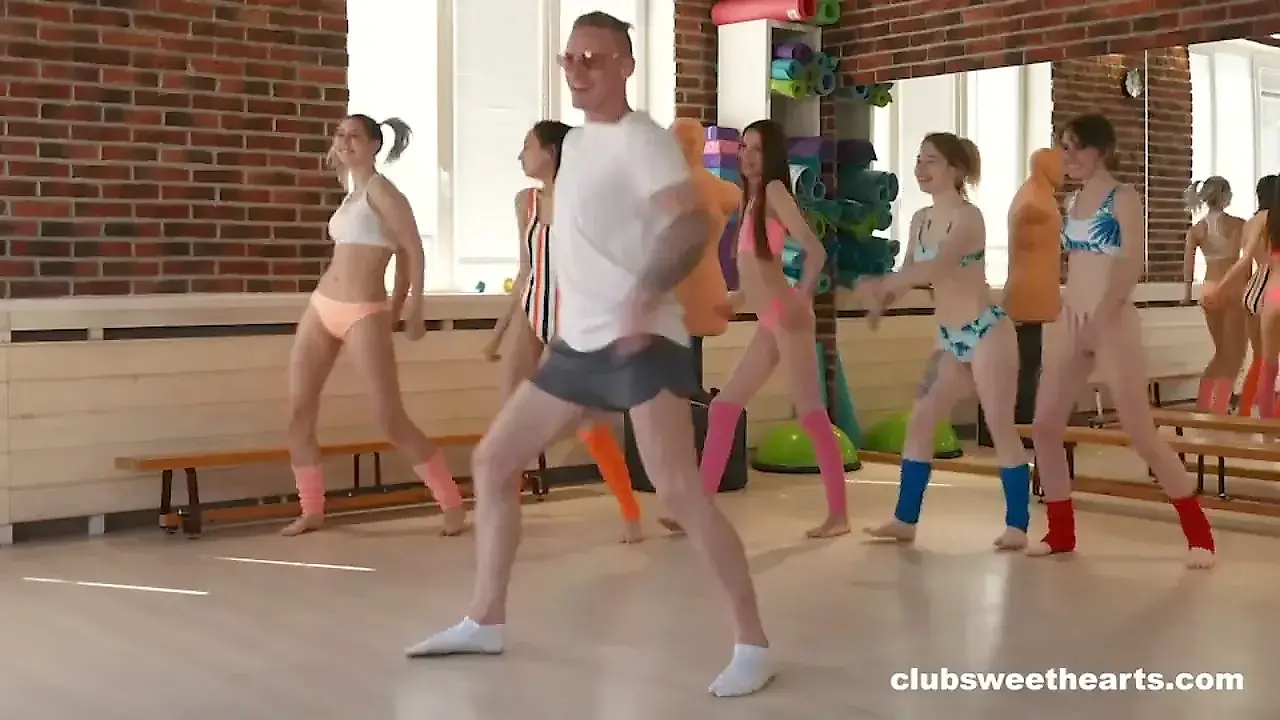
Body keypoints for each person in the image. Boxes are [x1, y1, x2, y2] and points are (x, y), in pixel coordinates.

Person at [405, 12, 774, 698]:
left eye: (594, 59)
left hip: (642, 341)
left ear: (626, 66)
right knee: (493, 460)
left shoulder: (644, 141)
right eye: (569, 58)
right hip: (579, 346)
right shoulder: (574, 144)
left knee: (678, 492)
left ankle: (752, 643)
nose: (577, 70)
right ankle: (485, 619)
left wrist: (643, 295)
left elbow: (693, 225)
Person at [1028, 114, 1214, 569]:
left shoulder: (1123, 197)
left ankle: (1200, 536)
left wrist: (1100, 317)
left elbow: (1131, 264)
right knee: (1045, 426)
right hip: (1071, 318)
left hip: (1112, 321)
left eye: (1077, 147)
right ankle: (1061, 531)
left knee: (1139, 431)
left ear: (1102, 150)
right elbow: (1075, 265)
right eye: (1063, 147)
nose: (1069, 156)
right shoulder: (1072, 200)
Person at [280, 114, 468, 538]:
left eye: (354, 136)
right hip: (322, 305)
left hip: (363, 311)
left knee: (389, 417)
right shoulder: (351, 194)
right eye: (339, 135)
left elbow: (412, 249)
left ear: (375, 145)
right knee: (298, 412)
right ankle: (312, 509)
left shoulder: (382, 191)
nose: (344, 142)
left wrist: (412, 305)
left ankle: (451, 502)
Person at [660, 118, 848, 539]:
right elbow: (760, 272)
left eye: (757, 149)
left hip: (788, 317)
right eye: (744, 147)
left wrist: (801, 296)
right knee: (724, 407)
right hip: (770, 320)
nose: (747, 155)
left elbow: (815, 251)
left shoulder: (776, 191)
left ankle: (839, 515)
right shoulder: (753, 200)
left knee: (812, 415)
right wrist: (736, 300)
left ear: (773, 155)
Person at [858, 133, 1030, 551]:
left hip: (986, 333)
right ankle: (905, 520)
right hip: (950, 339)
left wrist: (883, 283)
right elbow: (911, 273)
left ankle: (1018, 525)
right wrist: (883, 300)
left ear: (955, 169)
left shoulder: (969, 218)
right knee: (921, 420)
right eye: (918, 160)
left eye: (930, 160)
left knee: (999, 425)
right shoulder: (919, 219)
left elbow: (938, 267)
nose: (920, 168)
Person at [484, 120, 645, 544]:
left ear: (552, 152)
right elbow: (525, 270)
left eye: (527, 146)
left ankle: (630, 511)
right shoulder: (525, 202)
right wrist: (498, 333)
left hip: (575, 322)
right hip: (530, 313)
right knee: (507, 417)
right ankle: (504, 515)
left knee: (589, 424)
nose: (521, 155)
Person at [1210, 175, 1278, 416]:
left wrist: (1224, 286)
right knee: (1269, 363)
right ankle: (1267, 414)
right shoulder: (1272, 220)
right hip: (1271, 289)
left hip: (1252, 290)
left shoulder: (1249, 223)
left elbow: (1246, 262)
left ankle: (1245, 410)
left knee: (1259, 359)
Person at [1181, 177, 1246, 413]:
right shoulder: (1239, 224)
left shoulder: (1197, 229)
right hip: (1233, 290)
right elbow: (1248, 260)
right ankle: (1220, 405)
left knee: (1221, 351)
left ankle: (1204, 403)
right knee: (1235, 353)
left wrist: (1187, 295)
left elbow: (1188, 266)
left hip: (1209, 289)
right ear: (1225, 196)